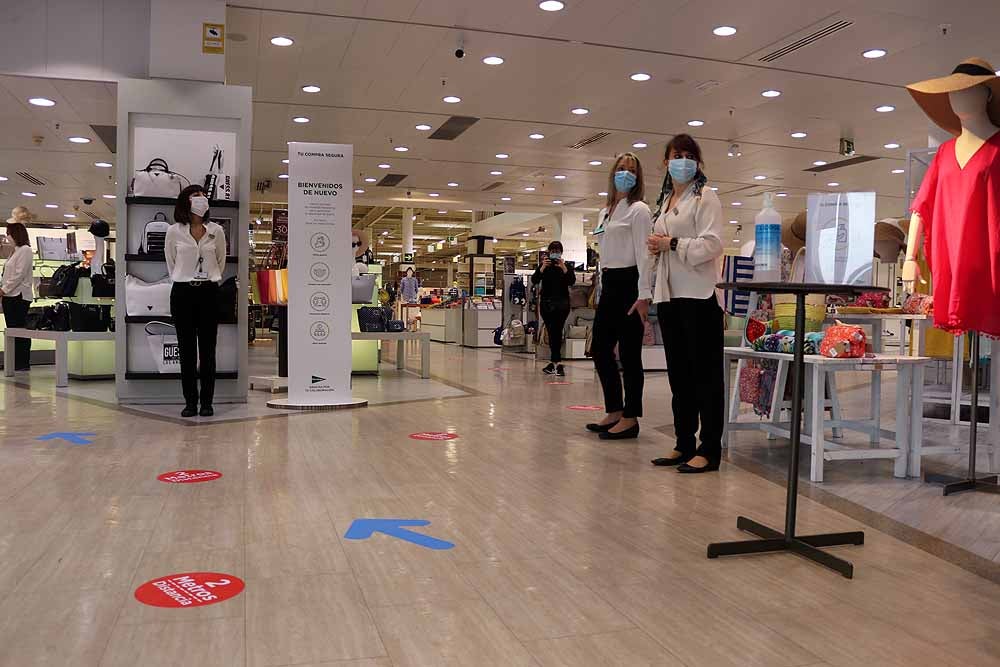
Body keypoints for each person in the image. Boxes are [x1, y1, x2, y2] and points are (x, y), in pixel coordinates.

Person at [646, 134, 725, 473]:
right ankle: (684, 442)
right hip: (670, 297)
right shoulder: (664, 200)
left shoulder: (706, 197)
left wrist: (671, 243)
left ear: (698, 162)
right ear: (666, 162)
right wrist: (657, 246)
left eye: (688, 155)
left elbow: (711, 245)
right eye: (676, 155)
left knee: (705, 376)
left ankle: (709, 449)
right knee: (679, 376)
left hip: (699, 296)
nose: (682, 161)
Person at [586, 152, 652, 440]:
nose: (626, 173)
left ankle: (631, 416)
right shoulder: (606, 211)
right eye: (621, 168)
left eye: (631, 170)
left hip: (630, 283)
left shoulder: (639, 210)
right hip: (610, 283)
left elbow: (645, 254)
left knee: (629, 355)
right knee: (600, 349)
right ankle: (614, 409)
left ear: (638, 177)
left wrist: (644, 294)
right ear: (613, 173)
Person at [165, 185, 227, 418]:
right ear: (185, 201)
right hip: (183, 293)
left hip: (209, 293)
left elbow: (220, 262)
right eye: (195, 195)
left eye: (203, 195)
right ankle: (190, 402)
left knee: (208, 351)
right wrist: (187, 277)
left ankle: (207, 402)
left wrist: (209, 279)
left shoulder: (216, 231)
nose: (201, 199)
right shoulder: (174, 231)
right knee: (187, 351)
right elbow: (171, 263)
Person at [532, 241, 576, 376]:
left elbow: (571, 281)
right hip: (547, 304)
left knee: (556, 331)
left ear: (561, 252)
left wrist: (564, 267)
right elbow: (534, 280)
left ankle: (555, 362)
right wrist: (542, 268)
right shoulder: (544, 266)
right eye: (552, 251)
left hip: (562, 305)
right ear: (549, 252)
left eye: (557, 251)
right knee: (552, 332)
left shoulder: (566, 266)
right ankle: (556, 362)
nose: (554, 253)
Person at [0, 210, 35, 371]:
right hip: (9, 296)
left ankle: (22, 363)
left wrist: (4, 289)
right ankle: (14, 362)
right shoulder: (14, 252)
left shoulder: (25, 250)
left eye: (9, 234)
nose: (7, 237)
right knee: (13, 330)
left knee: (20, 330)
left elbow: (19, 274)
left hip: (19, 296)